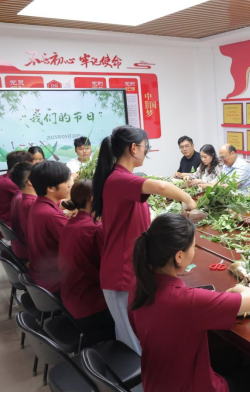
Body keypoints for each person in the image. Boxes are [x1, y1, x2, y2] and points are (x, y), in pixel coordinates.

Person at [92, 125, 197, 354]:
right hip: (121, 273)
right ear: (133, 148)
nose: (145, 151)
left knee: (136, 336)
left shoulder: (122, 178)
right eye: (145, 146)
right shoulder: (119, 178)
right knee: (133, 344)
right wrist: (189, 200)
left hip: (130, 268)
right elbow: (161, 186)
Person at [128, 213, 250, 392]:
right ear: (179, 256)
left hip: (156, 381)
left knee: (233, 355)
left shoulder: (138, 284)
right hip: (189, 387)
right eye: (193, 246)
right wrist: (238, 288)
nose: (195, 250)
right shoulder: (186, 301)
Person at [58, 180, 115, 335]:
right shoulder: (95, 229)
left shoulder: (70, 223)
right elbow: (115, 267)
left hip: (70, 300)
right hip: (91, 307)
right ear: (93, 200)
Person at [27, 161, 73, 295]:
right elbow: (78, 242)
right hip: (56, 280)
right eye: (66, 182)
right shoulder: (50, 214)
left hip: (42, 272)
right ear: (51, 188)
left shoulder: (39, 205)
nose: (69, 185)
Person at [9, 162, 36, 260]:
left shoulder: (18, 195)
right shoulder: (31, 202)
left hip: (18, 245)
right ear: (30, 181)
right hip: (29, 251)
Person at [0, 151, 33, 229]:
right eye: (28, 166)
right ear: (17, 165)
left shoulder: (3, 178)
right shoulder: (13, 183)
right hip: (12, 226)